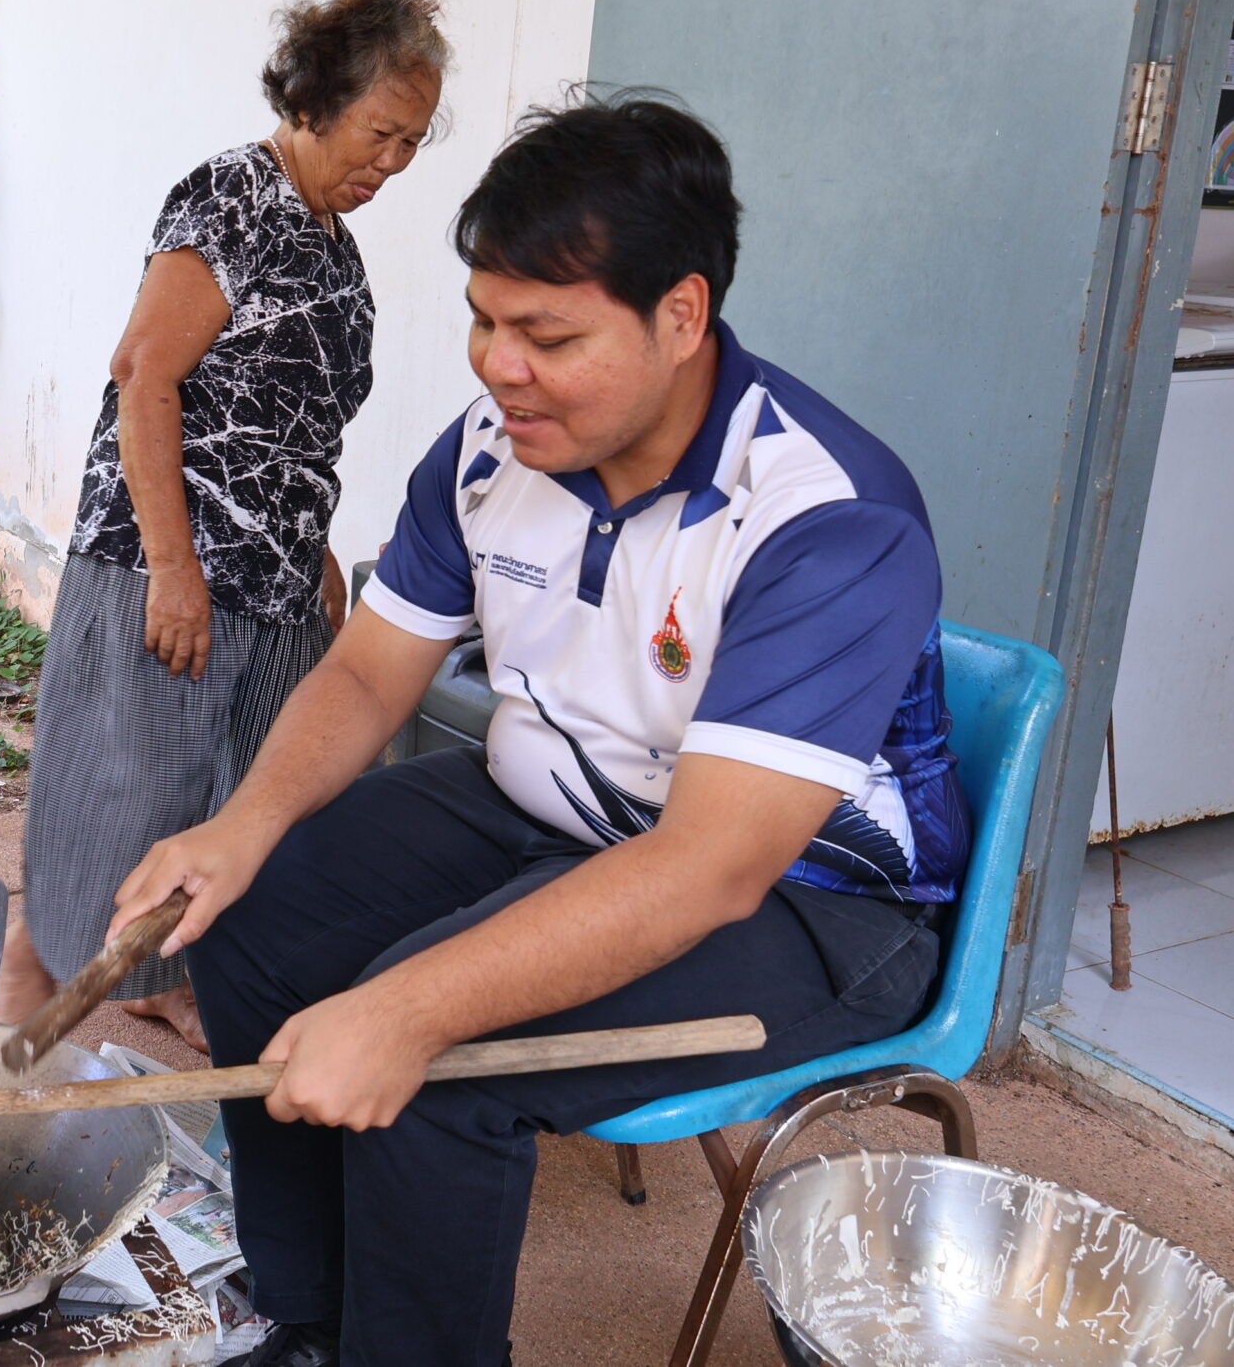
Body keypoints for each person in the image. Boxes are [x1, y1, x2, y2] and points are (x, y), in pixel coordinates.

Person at [112, 94, 968, 1366]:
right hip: (553, 808)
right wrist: (241, 828)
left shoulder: (822, 516)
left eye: (547, 335)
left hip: (807, 897)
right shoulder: (490, 450)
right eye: (484, 319)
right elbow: (367, 677)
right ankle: (313, 1321)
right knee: (247, 914)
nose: (497, 366)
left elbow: (707, 869)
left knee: (433, 1051)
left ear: (680, 316)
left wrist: (407, 1008)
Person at [0, 0, 449, 1046]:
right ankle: (35, 976)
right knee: (127, 790)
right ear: (315, 101)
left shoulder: (331, 239)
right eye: (380, 133)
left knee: (244, 791)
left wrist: (317, 548)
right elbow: (144, 375)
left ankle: (166, 970)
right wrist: (173, 568)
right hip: (169, 561)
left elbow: (289, 423)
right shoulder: (231, 198)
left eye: (412, 143)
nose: (391, 163)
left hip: (276, 576)